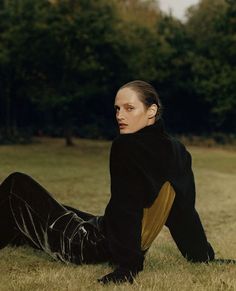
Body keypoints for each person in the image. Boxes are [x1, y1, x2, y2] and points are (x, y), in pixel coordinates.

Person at [0, 80, 215, 284]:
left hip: (89, 245)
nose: (120, 115)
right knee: (56, 210)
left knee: (15, 185)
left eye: (129, 108)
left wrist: (128, 267)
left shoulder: (126, 146)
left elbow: (126, 207)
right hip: (106, 231)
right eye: (117, 109)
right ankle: (14, 233)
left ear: (151, 111)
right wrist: (202, 256)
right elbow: (184, 210)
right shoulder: (177, 150)